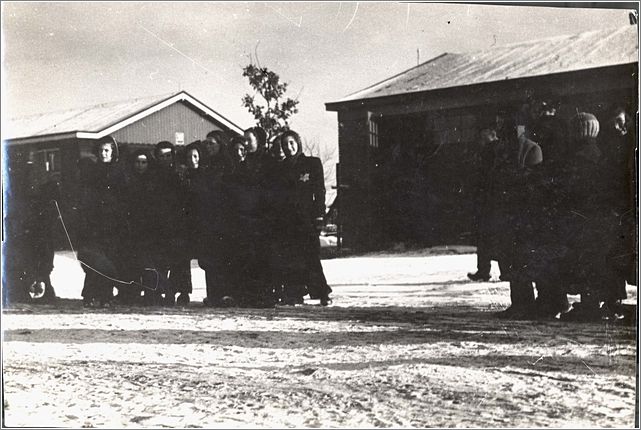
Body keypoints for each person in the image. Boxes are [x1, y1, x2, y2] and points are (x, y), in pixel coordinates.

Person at [280, 129, 332, 306]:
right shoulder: (282, 167)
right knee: (292, 257)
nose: (289, 147)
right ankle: (294, 293)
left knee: (310, 255)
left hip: (307, 218)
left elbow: (319, 191)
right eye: (285, 144)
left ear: (298, 143)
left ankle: (321, 292)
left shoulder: (312, 163)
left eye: (292, 143)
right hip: (287, 220)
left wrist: (319, 216)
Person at [77, 136, 128, 308]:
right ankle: (90, 294)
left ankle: (106, 295)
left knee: (109, 259)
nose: (103, 153)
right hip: (95, 223)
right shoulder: (92, 171)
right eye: (100, 150)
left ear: (113, 152)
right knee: (94, 260)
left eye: (106, 150)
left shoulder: (119, 172)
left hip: (113, 223)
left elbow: (124, 197)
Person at [149, 140, 187, 306]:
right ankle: (160, 292)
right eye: (161, 156)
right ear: (157, 157)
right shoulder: (152, 176)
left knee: (179, 261)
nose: (165, 159)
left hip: (177, 225)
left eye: (168, 155)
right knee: (160, 261)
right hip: (158, 225)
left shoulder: (180, 174)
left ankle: (182, 292)